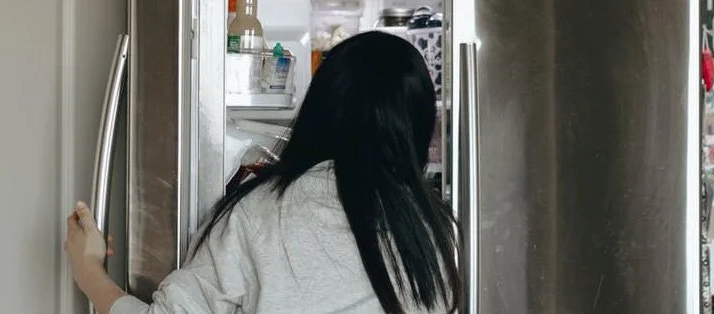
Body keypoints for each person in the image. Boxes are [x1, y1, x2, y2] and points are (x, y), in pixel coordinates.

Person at [66, 31, 462, 314]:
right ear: (419, 126)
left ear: (319, 110)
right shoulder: (437, 232)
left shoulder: (260, 213)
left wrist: (89, 272)